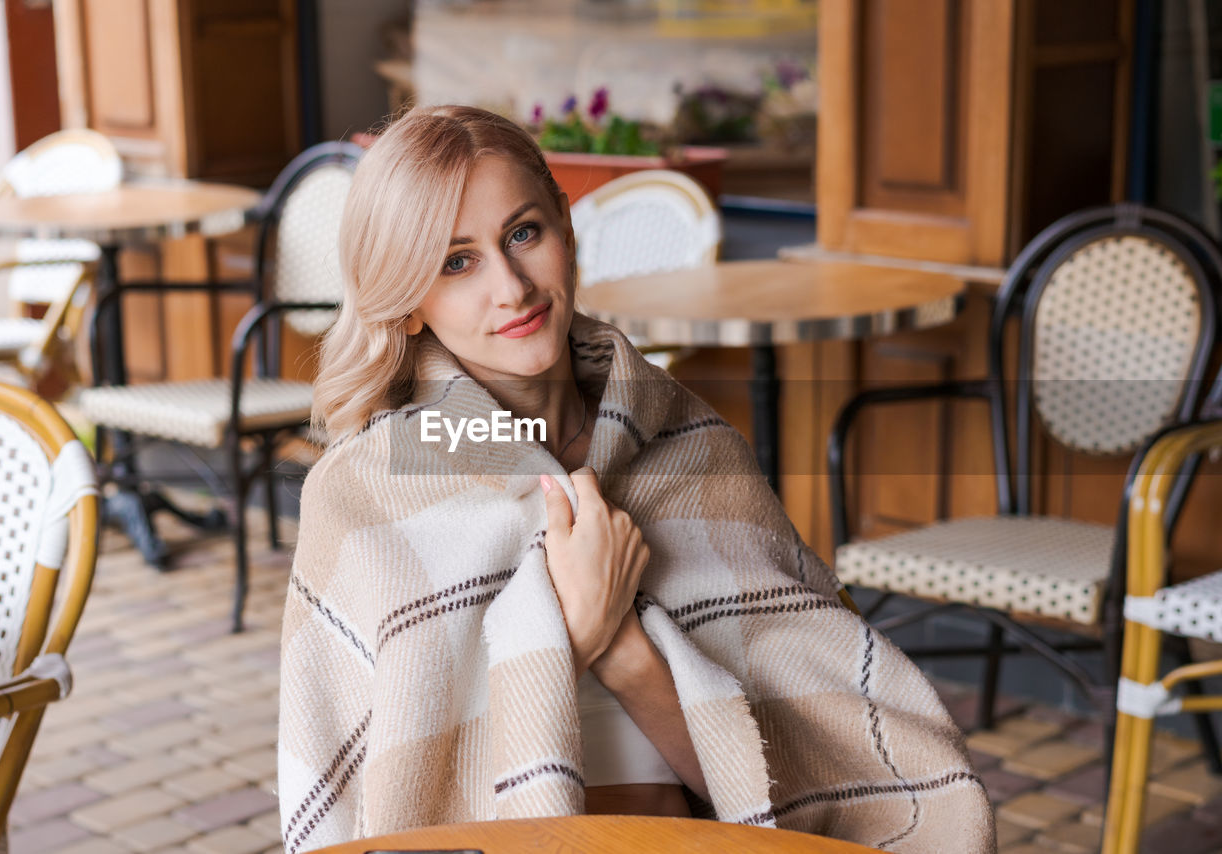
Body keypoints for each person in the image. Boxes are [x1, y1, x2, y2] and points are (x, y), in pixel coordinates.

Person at [277, 104, 994, 854]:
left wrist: (624, 650)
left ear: (565, 225)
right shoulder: (359, 493)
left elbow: (785, 795)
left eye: (524, 233)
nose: (512, 287)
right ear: (409, 304)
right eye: (456, 263)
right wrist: (574, 632)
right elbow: (374, 808)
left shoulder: (690, 446)